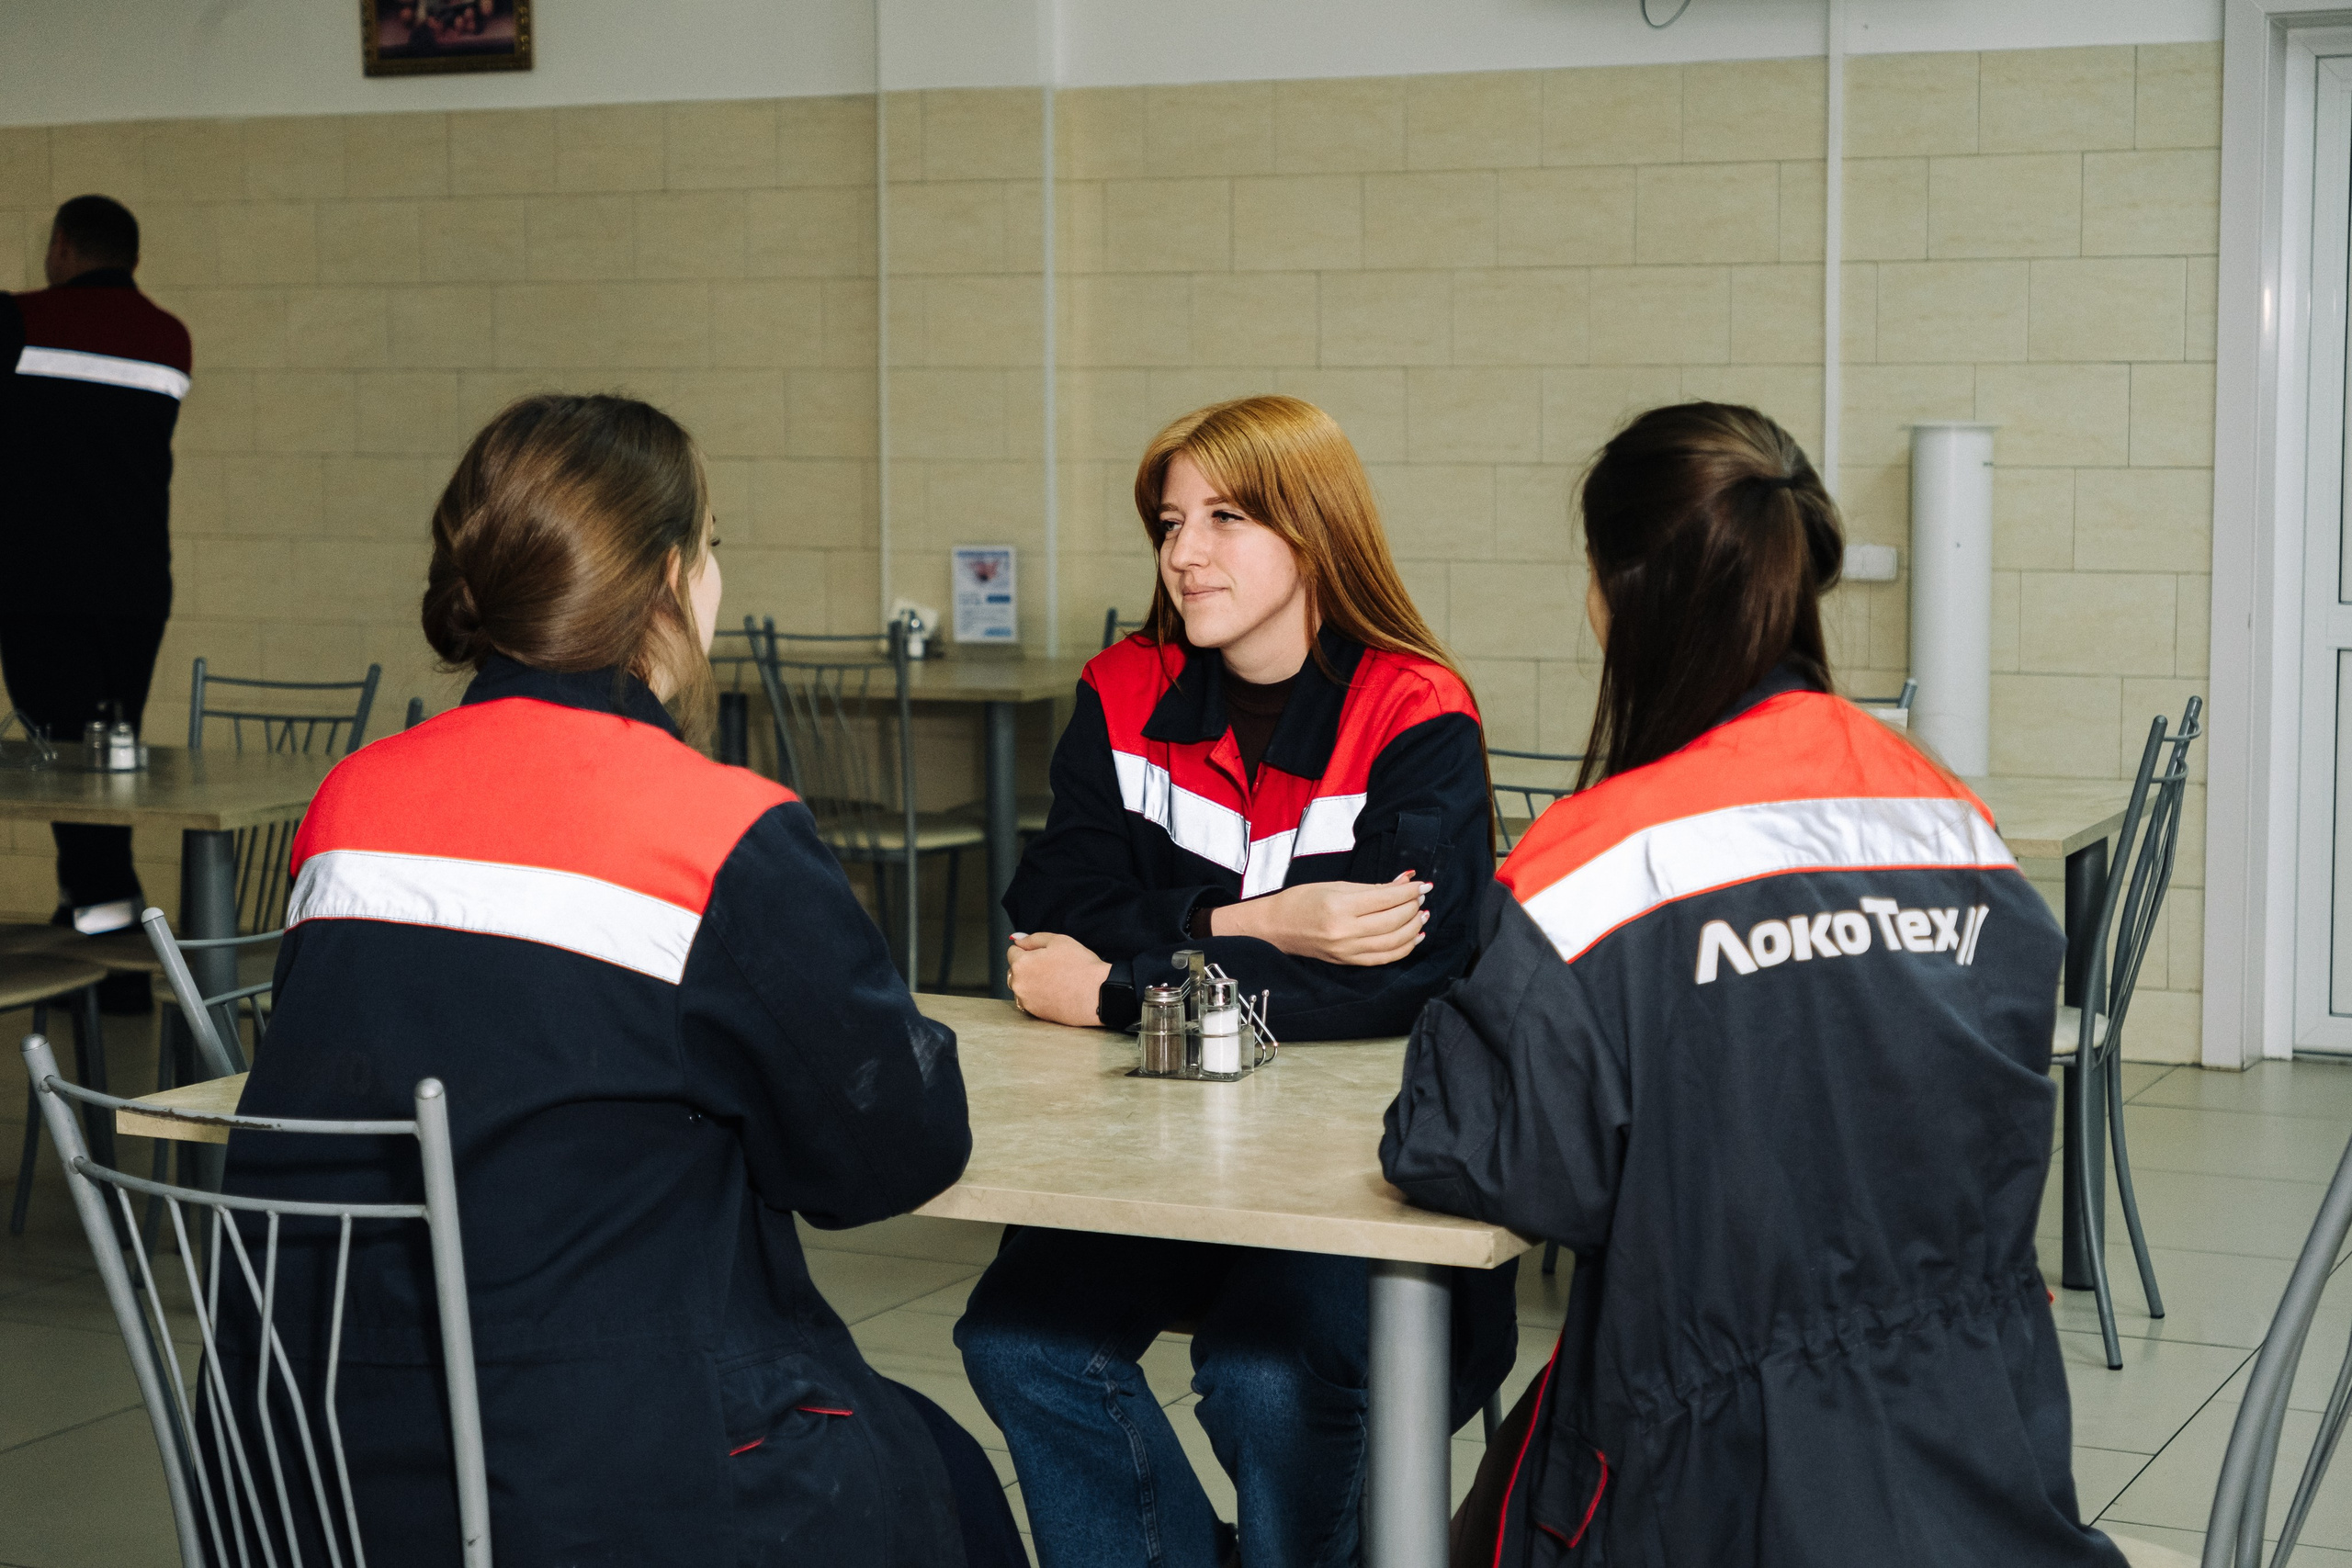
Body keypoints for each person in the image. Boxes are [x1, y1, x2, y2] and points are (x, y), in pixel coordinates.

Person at [209, 395, 1023, 1568]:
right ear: (671, 581)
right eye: (714, 545)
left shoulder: (352, 801)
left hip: (309, 1462)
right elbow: (891, 1157)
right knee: (946, 1476)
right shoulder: (715, 831)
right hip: (602, 1476)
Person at [1382, 401, 2124, 1568]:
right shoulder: (1950, 819)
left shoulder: (1596, 861)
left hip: (1715, 1484)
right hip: (1981, 1464)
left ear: (1618, 592)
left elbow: (1501, 1166)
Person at [956, 394, 1515, 1568]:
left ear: (1313, 530)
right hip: (1148, 1161)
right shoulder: (1122, 691)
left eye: (1225, 519)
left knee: (1265, 1375)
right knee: (1017, 1339)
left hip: (1348, 1176)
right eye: (1170, 523)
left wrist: (1120, 993)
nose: (1184, 554)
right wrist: (1261, 922)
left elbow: (1404, 977)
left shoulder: (1412, 709)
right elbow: (1049, 910)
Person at [0, 195, 189, 1002]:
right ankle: (89, 925)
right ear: (134, 260)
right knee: (102, 765)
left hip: (41, 589)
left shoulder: (20, 320)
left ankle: (113, 955)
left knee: (68, 773)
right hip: (138, 590)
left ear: (63, 246)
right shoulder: (170, 337)